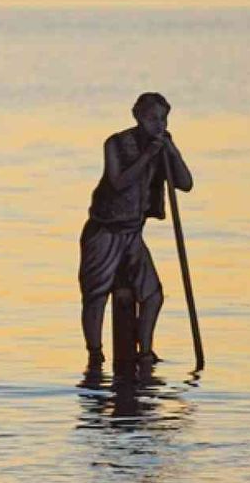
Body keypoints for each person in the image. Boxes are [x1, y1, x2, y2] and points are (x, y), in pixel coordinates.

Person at [78, 92, 193, 366]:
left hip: (132, 232)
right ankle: (95, 355)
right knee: (97, 294)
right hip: (104, 232)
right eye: (153, 118)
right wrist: (148, 156)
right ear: (138, 117)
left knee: (152, 294)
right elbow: (118, 182)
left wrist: (172, 152)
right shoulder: (117, 143)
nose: (159, 125)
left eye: (163, 119)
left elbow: (185, 183)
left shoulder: (162, 147)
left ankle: (145, 352)